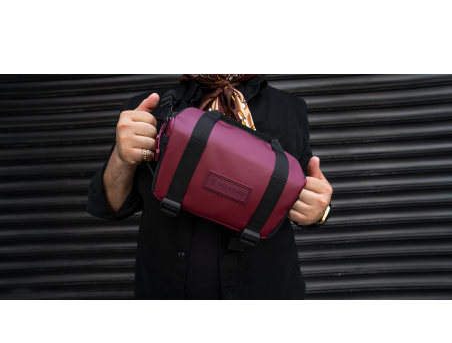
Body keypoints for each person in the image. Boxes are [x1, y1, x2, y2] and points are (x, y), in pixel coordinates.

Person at [86, 75, 333, 299]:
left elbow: (308, 192)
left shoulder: (289, 108)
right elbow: (111, 206)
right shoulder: (148, 107)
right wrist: (121, 157)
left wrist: (319, 212)